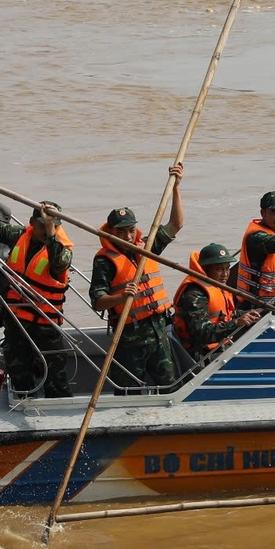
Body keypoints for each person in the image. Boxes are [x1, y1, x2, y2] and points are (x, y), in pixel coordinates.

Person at [0, 170, 75, 397]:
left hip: (46, 326)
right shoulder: (20, 235)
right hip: (17, 320)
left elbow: (58, 262)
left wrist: (50, 229)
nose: (49, 230)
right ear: (31, 223)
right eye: (43, 226)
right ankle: (23, 403)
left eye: (54, 226)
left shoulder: (62, 250)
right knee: (19, 372)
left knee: (55, 377)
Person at [89, 164, 185, 388]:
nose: (128, 236)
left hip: (158, 329)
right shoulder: (104, 261)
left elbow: (176, 225)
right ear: (111, 232)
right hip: (129, 335)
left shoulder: (146, 246)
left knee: (169, 384)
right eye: (121, 232)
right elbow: (97, 302)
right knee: (128, 388)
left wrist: (176, 188)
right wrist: (121, 297)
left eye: (131, 230)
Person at [173, 243, 249, 360]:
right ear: (206, 269)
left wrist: (248, 314)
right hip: (202, 353)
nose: (225, 274)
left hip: (220, 345)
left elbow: (226, 315)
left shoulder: (217, 286)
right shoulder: (194, 294)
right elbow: (202, 334)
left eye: (227, 268)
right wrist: (236, 323)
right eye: (219, 269)